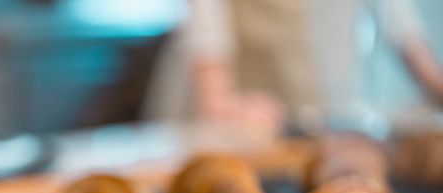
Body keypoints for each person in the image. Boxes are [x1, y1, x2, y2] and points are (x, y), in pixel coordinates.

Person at [146, 0, 443, 136]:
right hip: (229, 127)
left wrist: (433, 81)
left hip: (315, 123)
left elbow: (400, 21)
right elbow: (206, 23)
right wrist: (218, 97)